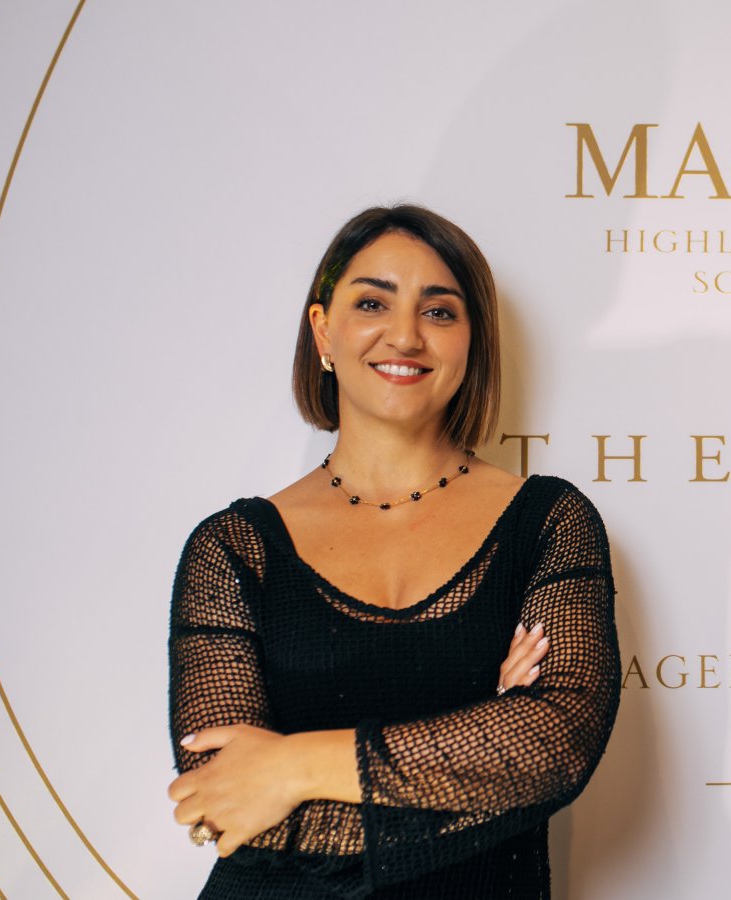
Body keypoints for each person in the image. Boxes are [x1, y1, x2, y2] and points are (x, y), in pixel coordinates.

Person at [164, 204, 621, 899]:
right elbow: (224, 800)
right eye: (373, 303)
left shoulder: (548, 522)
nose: (405, 335)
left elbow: (556, 742)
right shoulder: (233, 548)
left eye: (439, 312)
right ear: (324, 330)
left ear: (472, 341)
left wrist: (293, 767)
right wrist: (481, 750)